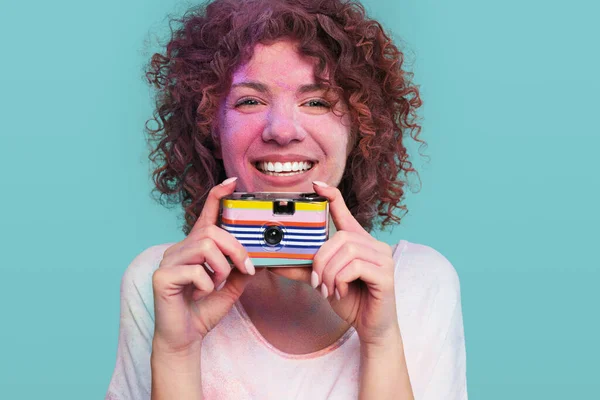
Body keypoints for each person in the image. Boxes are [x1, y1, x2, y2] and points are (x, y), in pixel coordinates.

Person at [106, 0, 467, 398]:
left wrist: (380, 342)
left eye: (316, 101)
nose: (281, 130)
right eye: (249, 100)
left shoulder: (421, 283)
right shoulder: (161, 282)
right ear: (211, 126)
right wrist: (176, 351)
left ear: (360, 128)